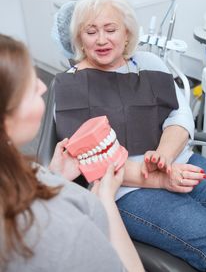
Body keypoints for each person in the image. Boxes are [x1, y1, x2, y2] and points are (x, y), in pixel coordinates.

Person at [53, 0, 206, 272]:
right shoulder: (71, 87)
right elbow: (91, 161)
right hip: (127, 189)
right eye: (91, 31)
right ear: (79, 38)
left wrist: (163, 156)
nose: (101, 39)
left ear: (127, 32)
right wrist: (159, 177)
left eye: (110, 29)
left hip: (180, 163)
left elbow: (179, 114)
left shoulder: (148, 64)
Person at [0, 34, 144, 272]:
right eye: (29, 87)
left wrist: (52, 175)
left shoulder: (19, 168)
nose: (43, 86)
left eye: (110, 28)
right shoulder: (57, 231)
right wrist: (106, 201)